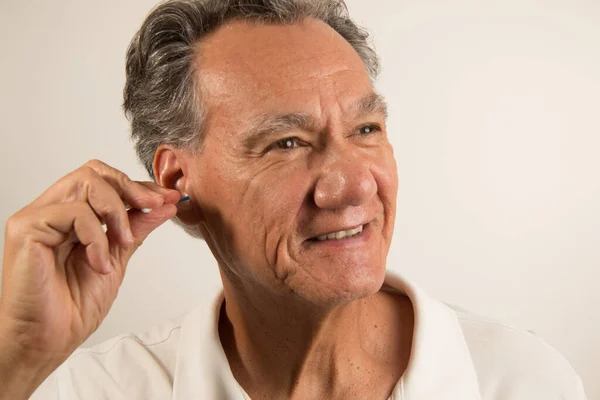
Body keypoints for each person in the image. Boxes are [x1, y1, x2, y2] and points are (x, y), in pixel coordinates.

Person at [0, 0, 587, 399]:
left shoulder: (523, 381)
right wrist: (17, 354)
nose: (354, 185)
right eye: (286, 142)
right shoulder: (95, 390)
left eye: (365, 130)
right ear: (179, 183)